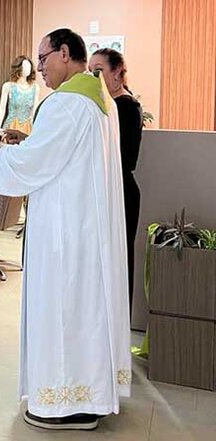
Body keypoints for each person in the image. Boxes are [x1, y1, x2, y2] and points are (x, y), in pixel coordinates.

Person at [0, 28, 131, 430]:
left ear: (64, 52)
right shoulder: (101, 100)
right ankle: (90, 396)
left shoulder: (66, 103)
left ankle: (64, 405)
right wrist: (26, 140)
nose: (39, 68)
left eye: (43, 59)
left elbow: (33, 167)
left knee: (63, 313)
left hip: (65, 233)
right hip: (88, 230)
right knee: (86, 314)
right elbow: (61, 154)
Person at [89, 48, 143, 315]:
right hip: (111, 191)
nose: (93, 76)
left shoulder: (126, 108)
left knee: (118, 264)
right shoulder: (107, 107)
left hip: (121, 193)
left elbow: (121, 159)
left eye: (98, 70)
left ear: (118, 73)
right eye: (90, 71)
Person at [0, 55, 40, 134]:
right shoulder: (8, 86)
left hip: (28, 128)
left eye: (29, 66)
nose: (28, 69)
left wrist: (36, 130)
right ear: (19, 68)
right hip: (11, 126)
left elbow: (35, 111)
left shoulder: (35, 88)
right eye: (25, 66)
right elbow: (2, 109)